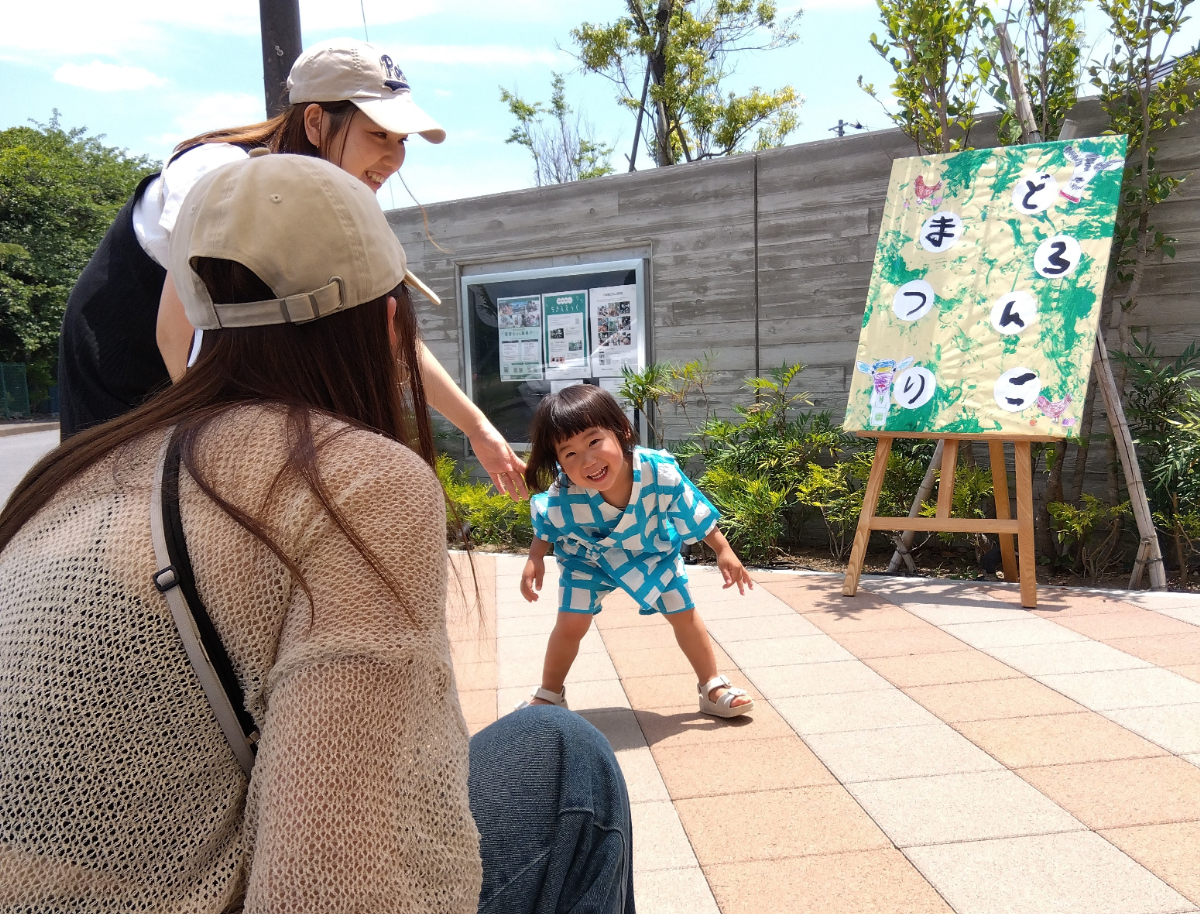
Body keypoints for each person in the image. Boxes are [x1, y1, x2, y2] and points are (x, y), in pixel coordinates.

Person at [0, 153, 631, 912]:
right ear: (386, 316)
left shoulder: (76, 471)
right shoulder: (353, 480)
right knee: (564, 753)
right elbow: (333, 881)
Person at [56, 37, 527, 499]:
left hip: (226, 366)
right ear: (317, 121)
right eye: (378, 134)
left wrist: (477, 427)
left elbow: (387, 329)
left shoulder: (331, 200)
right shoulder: (217, 172)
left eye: (402, 140)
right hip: (124, 364)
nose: (394, 156)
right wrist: (209, 446)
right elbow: (174, 332)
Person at [517, 384, 756, 717]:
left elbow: (691, 509)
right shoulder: (566, 489)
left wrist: (723, 550)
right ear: (558, 461)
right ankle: (549, 693)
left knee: (683, 613)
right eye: (569, 453)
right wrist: (534, 558)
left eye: (594, 441)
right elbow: (550, 519)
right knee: (571, 623)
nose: (587, 460)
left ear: (621, 431)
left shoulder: (659, 472)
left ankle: (712, 686)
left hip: (651, 552)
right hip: (588, 557)